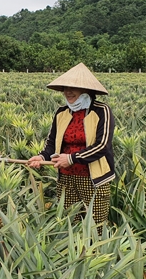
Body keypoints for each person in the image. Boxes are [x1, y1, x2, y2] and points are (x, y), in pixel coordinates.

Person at [28, 63, 115, 230]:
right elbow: (52, 143)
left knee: (95, 228)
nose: (68, 91)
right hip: (66, 178)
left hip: (93, 180)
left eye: (73, 87)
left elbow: (102, 145)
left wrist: (72, 158)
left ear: (87, 90)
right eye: (66, 87)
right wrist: (42, 157)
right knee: (68, 225)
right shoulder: (61, 112)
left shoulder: (101, 111)